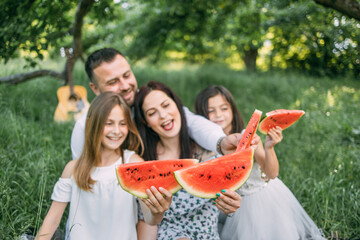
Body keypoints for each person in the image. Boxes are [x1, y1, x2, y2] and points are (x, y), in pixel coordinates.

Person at [195, 85, 326, 240]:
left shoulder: (247, 136)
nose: (218, 115)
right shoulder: (207, 147)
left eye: (224, 108)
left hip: (265, 198)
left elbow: (271, 173)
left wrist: (269, 147)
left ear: (232, 110)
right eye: (211, 111)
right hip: (236, 206)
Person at [35, 92, 172, 240]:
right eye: (108, 123)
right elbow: (52, 220)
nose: (116, 131)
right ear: (91, 124)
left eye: (123, 123)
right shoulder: (72, 169)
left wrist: (158, 211)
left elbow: (149, 218)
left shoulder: (133, 163)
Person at [71, 48, 241, 161]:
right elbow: (82, 174)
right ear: (95, 88)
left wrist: (220, 142)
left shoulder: (148, 102)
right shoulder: (85, 126)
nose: (124, 86)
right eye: (113, 82)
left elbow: (193, 123)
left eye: (127, 75)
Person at [133, 81, 242, 240]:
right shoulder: (147, 164)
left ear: (177, 106)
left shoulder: (210, 152)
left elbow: (228, 206)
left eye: (166, 105)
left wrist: (231, 206)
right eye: (152, 113)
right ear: (146, 122)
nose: (163, 115)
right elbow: (147, 221)